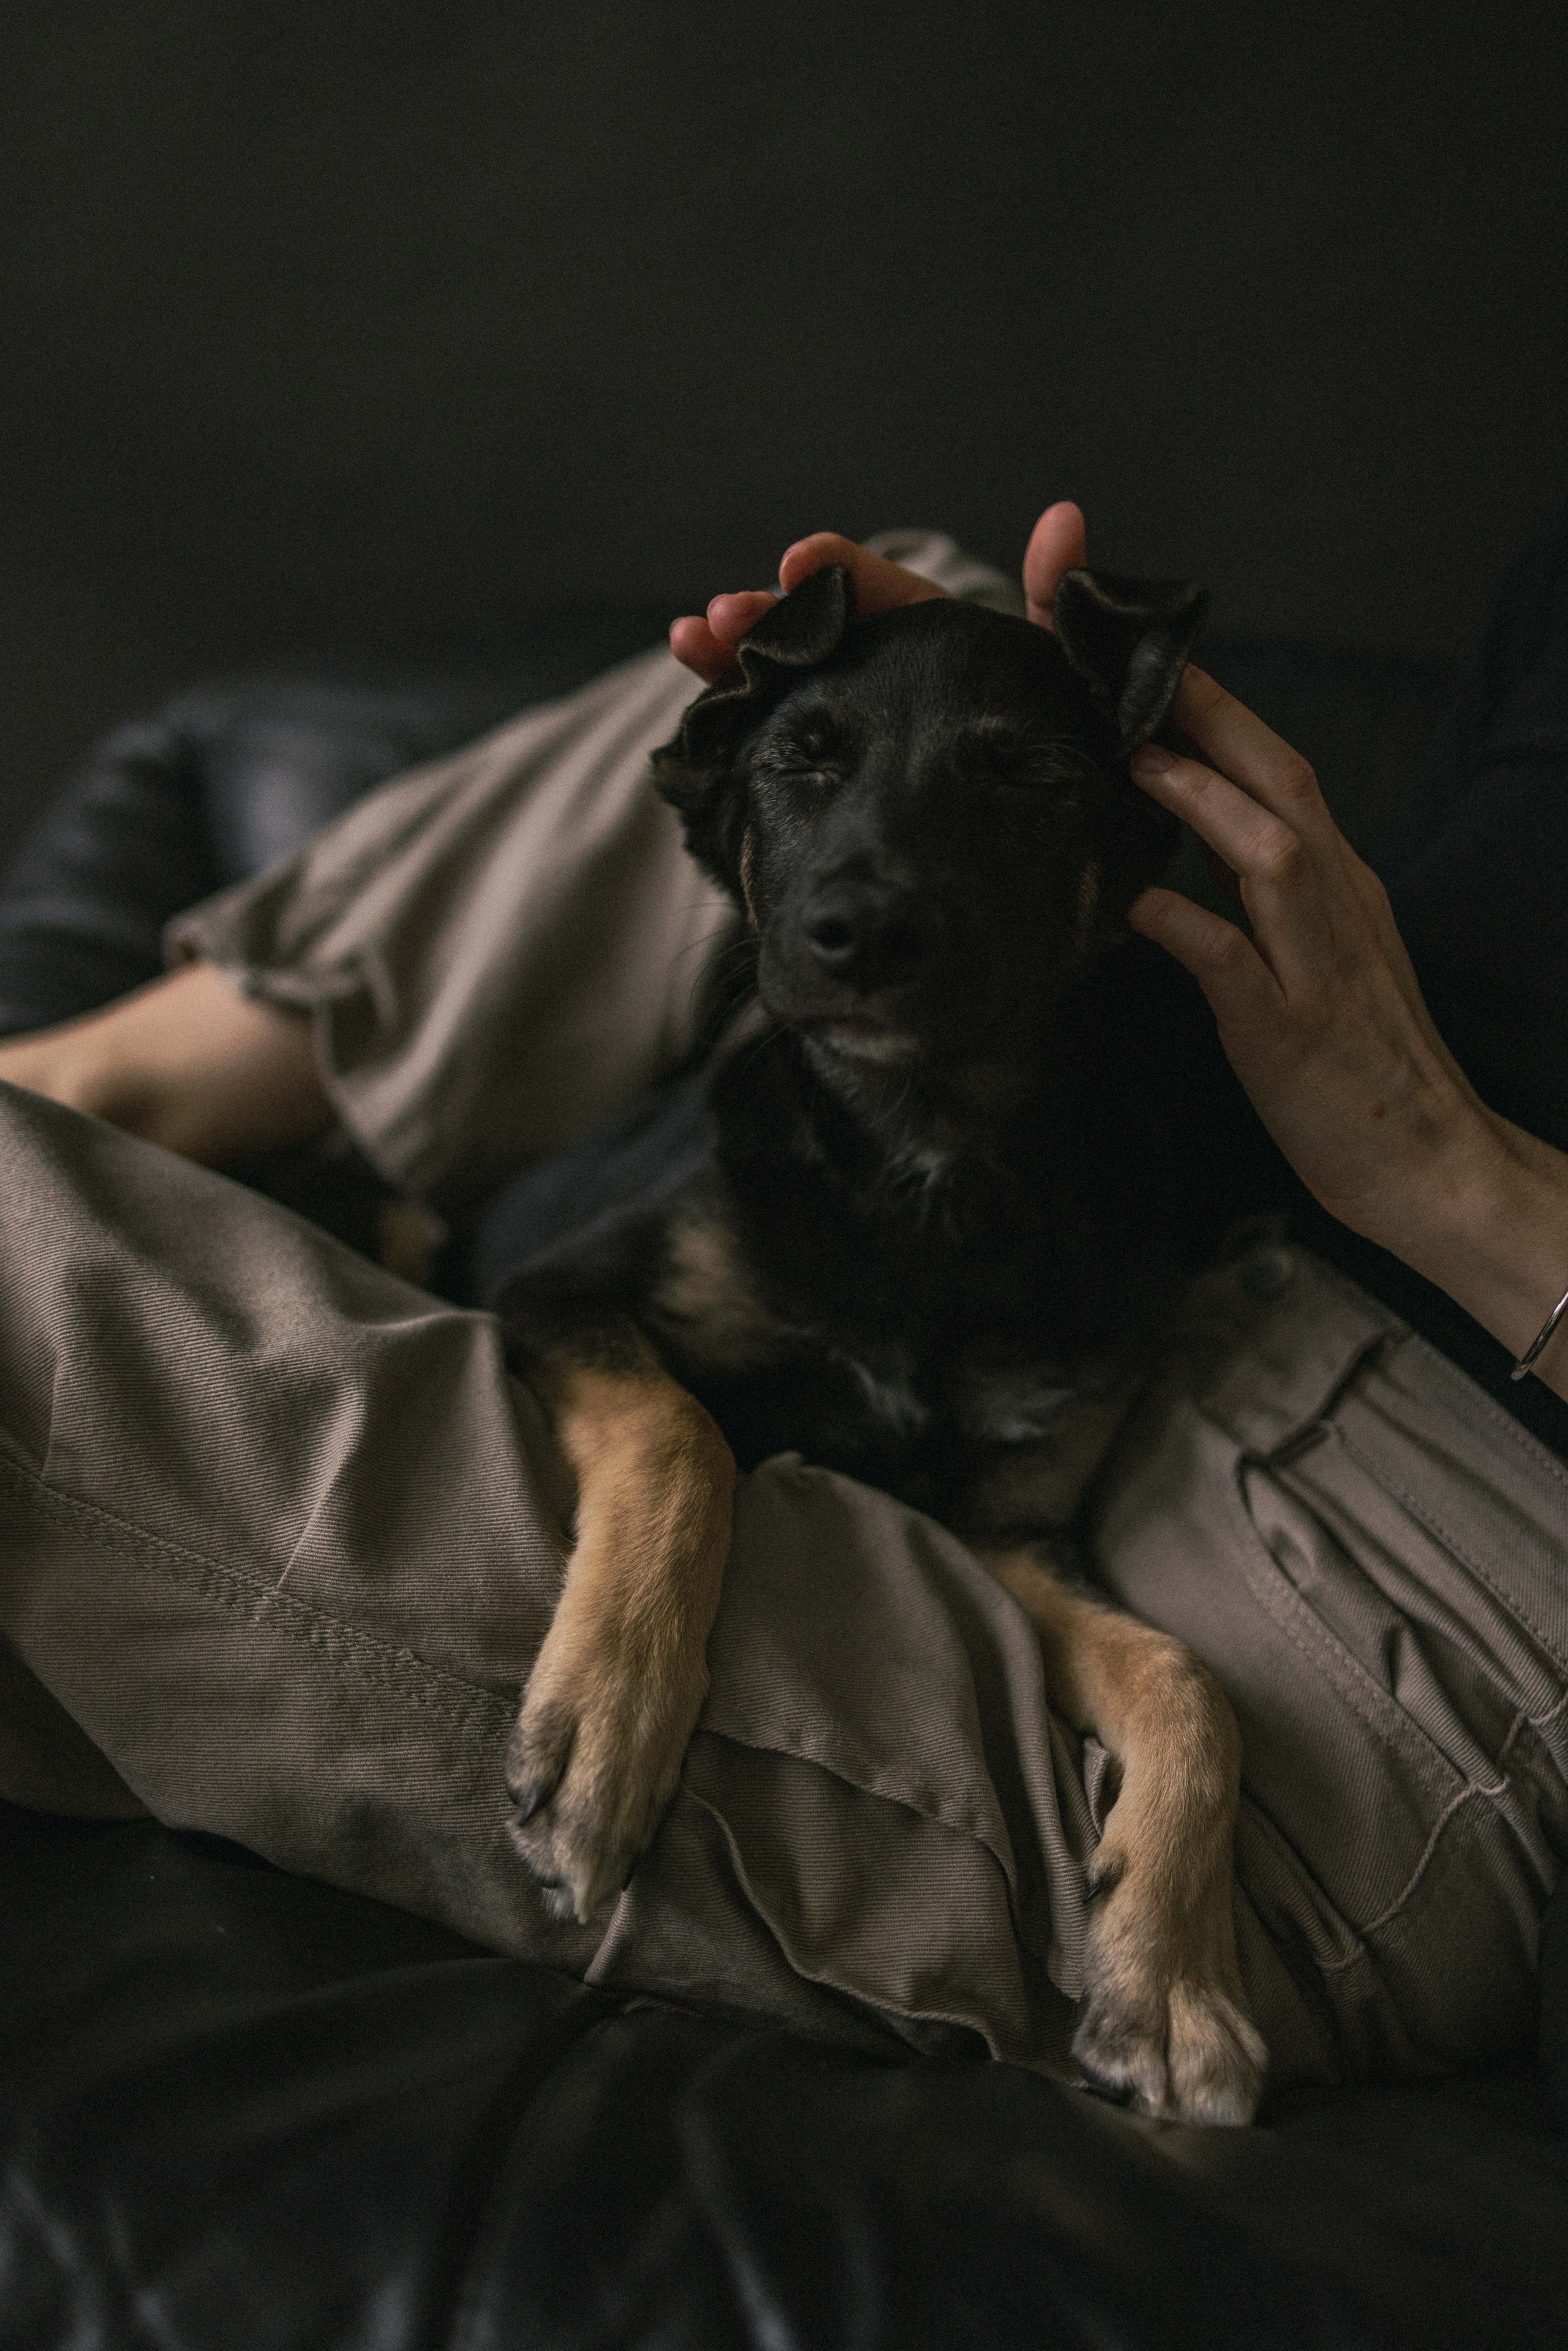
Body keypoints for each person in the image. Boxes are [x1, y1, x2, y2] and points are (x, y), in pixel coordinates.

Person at [0, 503, 1564, 2112]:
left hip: (1412, 1613)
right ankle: (91, 1073)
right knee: (912, 627)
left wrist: (1450, 1168)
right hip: (1195, 1235)